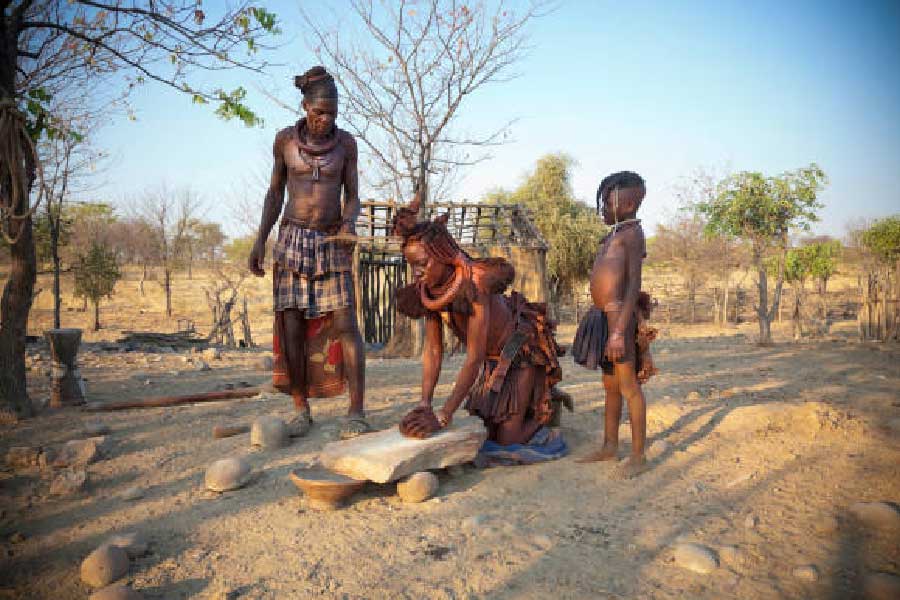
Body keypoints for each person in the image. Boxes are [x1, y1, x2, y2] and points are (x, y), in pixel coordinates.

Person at [394, 190, 571, 455]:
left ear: (443, 255)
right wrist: (425, 403)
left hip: (520, 352)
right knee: (486, 429)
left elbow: (473, 358)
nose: (417, 272)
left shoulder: (476, 286)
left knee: (507, 439)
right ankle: (531, 402)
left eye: (423, 263)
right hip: (492, 363)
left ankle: (545, 406)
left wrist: (443, 416)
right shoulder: (427, 292)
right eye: (412, 266)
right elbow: (433, 351)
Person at [248, 66, 369, 439]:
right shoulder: (284, 141)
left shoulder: (346, 144)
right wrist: (259, 240)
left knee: (347, 324)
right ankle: (301, 409)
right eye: (319, 112)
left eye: (332, 112)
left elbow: (353, 196)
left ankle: (356, 412)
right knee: (291, 327)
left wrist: (348, 224)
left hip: (331, 240)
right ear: (305, 107)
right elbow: (274, 194)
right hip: (291, 239)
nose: (326, 119)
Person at [572, 171, 655, 478]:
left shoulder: (632, 235)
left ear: (629, 202)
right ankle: (609, 446)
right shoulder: (613, 235)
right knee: (610, 386)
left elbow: (633, 284)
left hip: (618, 317)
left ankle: (638, 455)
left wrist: (620, 330)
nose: (604, 207)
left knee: (629, 386)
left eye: (608, 201)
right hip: (603, 317)